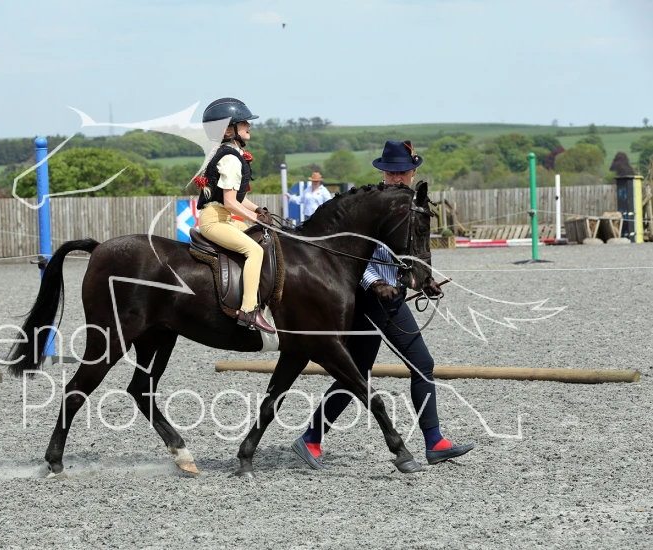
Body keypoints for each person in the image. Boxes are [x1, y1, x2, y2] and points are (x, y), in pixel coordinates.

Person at [291, 140, 475, 469]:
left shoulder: (412, 205)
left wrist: (423, 279)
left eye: (402, 172)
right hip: (370, 298)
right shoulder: (370, 204)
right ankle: (434, 442)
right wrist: (375, 283)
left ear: (413, 172)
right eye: (391, 173)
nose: (396, 178)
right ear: (383, 173)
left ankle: (312, 438)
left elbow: (413, 251)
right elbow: (347, 253)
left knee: (358, 372)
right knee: (420, 363)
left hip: (391, 294)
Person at [195, 98, 275, 333]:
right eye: (243, 123)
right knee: (254, 250)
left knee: (265, 236)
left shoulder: (231, 154)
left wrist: (258, 210)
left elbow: (237, 198)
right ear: (228, 130)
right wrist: (254, 218)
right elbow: (230, 203)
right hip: (215, 221)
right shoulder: (230, 159)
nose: (249, 126)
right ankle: (248, 310)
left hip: (224, 218)